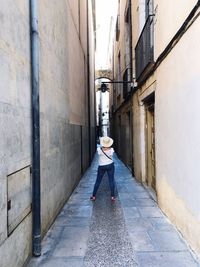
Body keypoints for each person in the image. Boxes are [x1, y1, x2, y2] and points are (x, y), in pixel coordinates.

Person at [90, 136, 116, 202]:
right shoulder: (111, 150)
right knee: (111, 180)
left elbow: (99, 152)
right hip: (110, 165)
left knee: (98, 181)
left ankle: (93, 196)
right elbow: (111, 154)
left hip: (101, 166)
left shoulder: (99, 149)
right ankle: (112, 196)